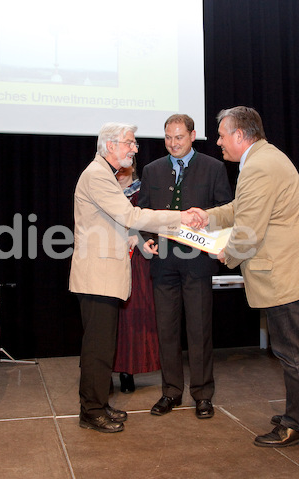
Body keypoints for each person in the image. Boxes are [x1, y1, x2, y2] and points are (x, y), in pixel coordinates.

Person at [195, 106, 299, 447]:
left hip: (286, 274)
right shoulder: (264, 159)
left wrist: (225, 252)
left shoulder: (258, 167)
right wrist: (204, 218)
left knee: (293, 351)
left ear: (240, 135)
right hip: (297, 268)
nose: (218, 141)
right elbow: (242, 208)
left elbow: (248, 230)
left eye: (223, 135)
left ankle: (297, 425)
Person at [69, 122, 205, 433]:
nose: (135, 149)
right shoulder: (97, 175)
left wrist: (140, 240)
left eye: (134, 143)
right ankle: (91, 411)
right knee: (97, 348)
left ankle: (98, 404)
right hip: (97, 276)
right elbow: (131, 216)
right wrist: (181, 216)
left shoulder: (105, 174)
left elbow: (121, 225)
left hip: (104, 274)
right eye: (130, 143)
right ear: (111, 145)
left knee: (103, 347)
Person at [138, 114, 233, 419]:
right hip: (164, 262)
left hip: (199, 263)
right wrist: (148, 239)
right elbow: (144, 213)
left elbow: (225, 212)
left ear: (193, 136)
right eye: (168, 137)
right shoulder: (152, 170)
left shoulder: (214, 168)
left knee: (199, 329)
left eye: (179, 137)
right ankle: (171, 392)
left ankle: (203, 394)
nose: (173, 143)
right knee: (166, 330)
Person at [112, 161, 160, 393]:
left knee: (130, 318)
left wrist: (137, 238)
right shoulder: (105, 192)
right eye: (117, 168)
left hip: (137, 262)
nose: (121, 172)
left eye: (125, 167)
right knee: (108, 318)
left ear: (133, 167)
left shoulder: (144, 192)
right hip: (109, 261)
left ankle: (127, 370)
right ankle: (103, 370)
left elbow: (152, 224)